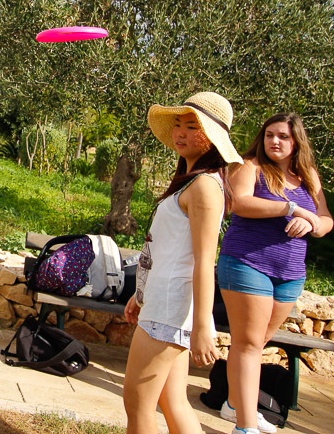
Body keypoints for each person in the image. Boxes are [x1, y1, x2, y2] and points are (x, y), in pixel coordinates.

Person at [123, 91, 243, 434]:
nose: (180, 133)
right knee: (172, 402)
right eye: (178, 124)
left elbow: (205, 261)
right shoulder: (191, 183)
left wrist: (203, 326)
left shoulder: (204, 186)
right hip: (163, 303)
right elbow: (169, 251)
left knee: (138, 406)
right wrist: (140, 294)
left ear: (212, 136)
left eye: (193, 126)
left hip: (170, 310)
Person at [218, 113, 332, 434]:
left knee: (255, 343)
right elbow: (238, 203)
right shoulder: (251, 166)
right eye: (269, 135)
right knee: (249, 344)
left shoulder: (308, 175)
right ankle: (245, 426)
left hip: (291, 274)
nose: (274, 141)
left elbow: (325, 219)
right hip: (247, 264)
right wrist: (290, 208)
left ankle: (233, 405)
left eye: (282, 136)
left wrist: (312, 222)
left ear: (296, 141)